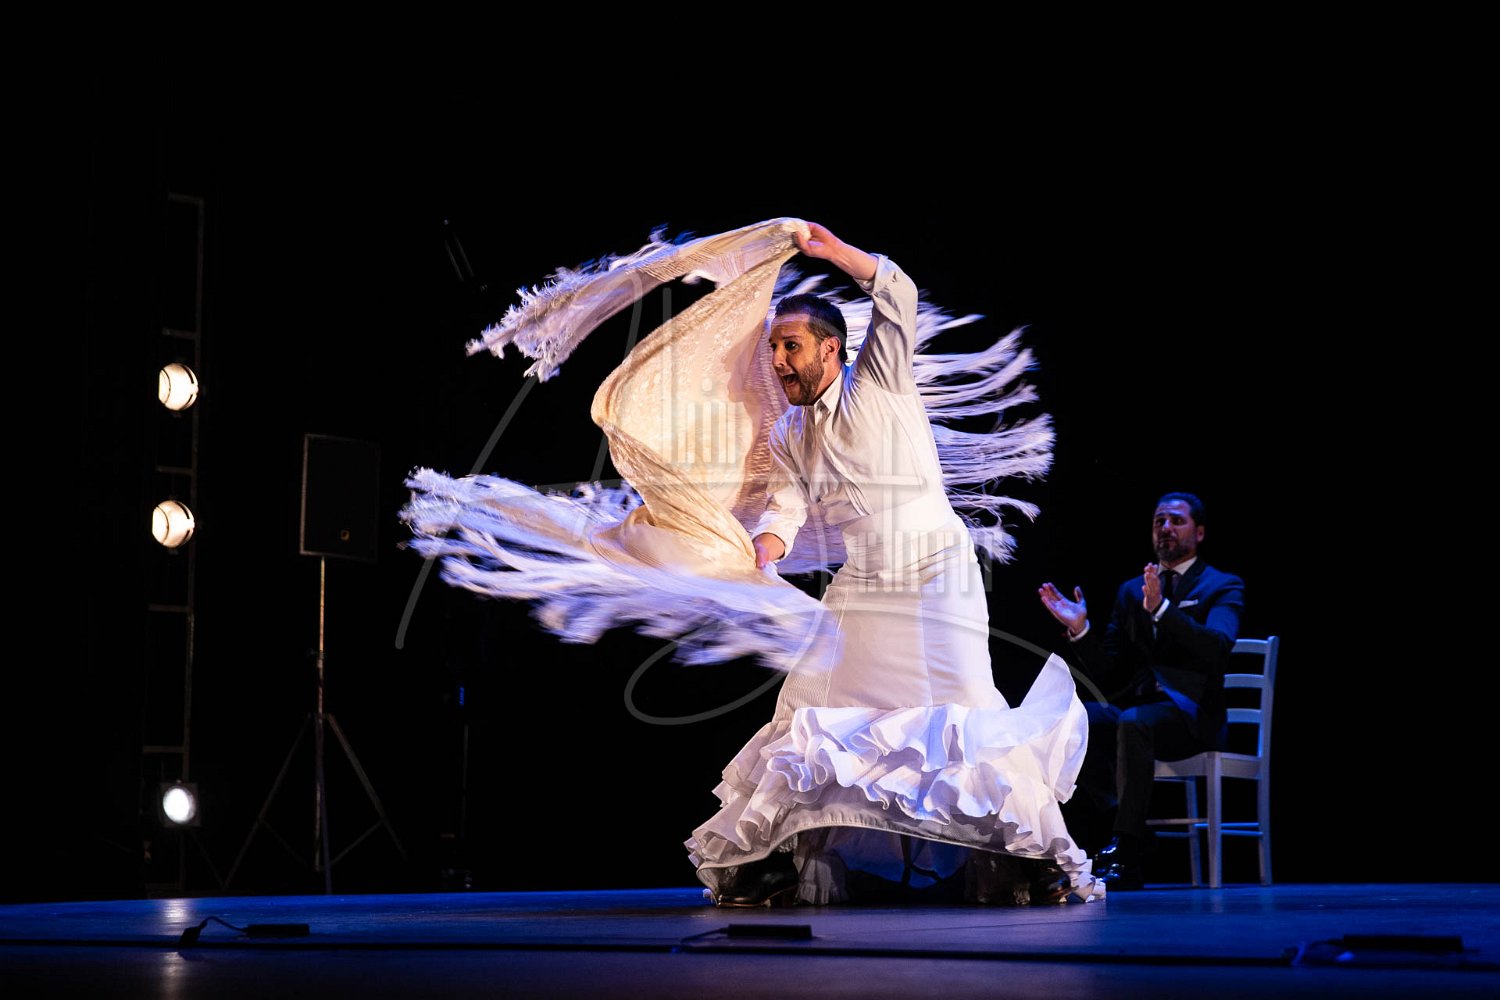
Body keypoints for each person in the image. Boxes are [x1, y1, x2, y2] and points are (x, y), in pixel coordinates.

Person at [685, 222, 1101, 907]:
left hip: (936, 572)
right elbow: (785, 509)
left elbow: (897, 295)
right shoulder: (788, 432)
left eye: (790, 347)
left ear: (830, 347)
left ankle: (1030, 859)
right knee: (809, 706)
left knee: (964, 712)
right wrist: (762, 551)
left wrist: (837, 254)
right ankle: (776, 859)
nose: (779, 361)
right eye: (774, 350)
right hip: (863, 582)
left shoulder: (878, 381)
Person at [1037, 492, 1244, 889]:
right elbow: (1110, 673)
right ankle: (1118, 824)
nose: (1165, 528)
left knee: (1134, 723)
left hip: (1193, 716)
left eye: (1176, 521)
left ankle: (1128, 853)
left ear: (1199, 532)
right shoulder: (1133, 591)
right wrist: (1081, 630)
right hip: (1139, 713)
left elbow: (1218, 648)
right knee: (1075, 718)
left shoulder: (1222, 585)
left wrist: (1163, 611)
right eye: (1159, 521)